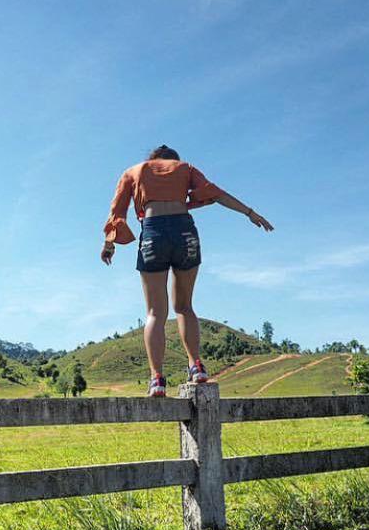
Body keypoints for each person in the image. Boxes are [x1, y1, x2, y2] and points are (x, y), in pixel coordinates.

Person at [101, 145, 273, 397]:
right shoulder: (186, 168)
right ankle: (197, 366)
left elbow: (118, 211)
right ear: (173, 161)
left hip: (153, 233)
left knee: (154, 313)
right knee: (184, 306)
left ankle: (157, 380)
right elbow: (215, 193)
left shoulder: (133, 172)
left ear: (153, 159)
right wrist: (249, 212)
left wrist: (109, 244)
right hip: (185, 232)